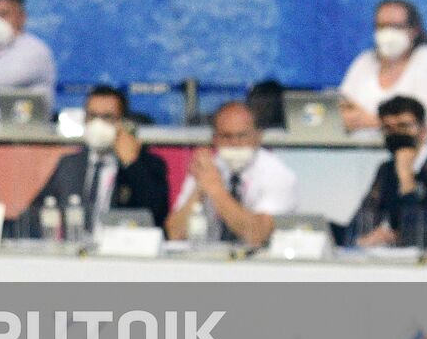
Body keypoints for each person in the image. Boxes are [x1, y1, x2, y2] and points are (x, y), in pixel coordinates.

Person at [27, 86, 169, 234]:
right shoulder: (69, 164)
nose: (97, 124)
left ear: (124, 123)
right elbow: (36, 212)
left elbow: (156, 215)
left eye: (107, 117)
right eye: (92, 116)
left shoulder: (148, 164)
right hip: (76, 250)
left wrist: (132, 164)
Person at [166, 101, 297, 247]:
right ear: (214, 139)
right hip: (210, 261)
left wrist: (216, 190)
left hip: (264, 263)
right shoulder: (207, 168)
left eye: (242, 136)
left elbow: (258, 235)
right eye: (226, 136)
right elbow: (174, 233)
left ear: (258, 137)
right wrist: (199, 190)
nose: (234, 143)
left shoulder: (277, 173)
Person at [352, 96, 427, 251]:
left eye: (404, 126)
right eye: (388, 128)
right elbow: (363, 219)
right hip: (397, 260)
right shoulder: (386, 170)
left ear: (423, 130)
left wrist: (406, 179)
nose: (396, 134)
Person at [339, 0, 427, 132]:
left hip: (409, 148)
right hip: (357, 149)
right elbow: (340, 108)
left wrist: (373, 121)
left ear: (414, 30)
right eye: (382, 26)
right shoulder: (364, 61)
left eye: (396, 26)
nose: (388, 33)